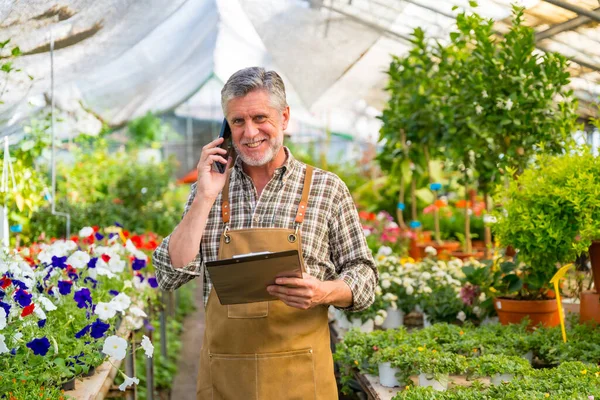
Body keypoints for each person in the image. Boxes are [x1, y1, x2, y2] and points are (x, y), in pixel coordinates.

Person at [152, 66, 377, 399]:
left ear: (284, 118)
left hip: (302, 380)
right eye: (238, 121)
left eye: (260, 118)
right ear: (226, 127)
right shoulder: (211, 189)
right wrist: (204, 196)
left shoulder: (326, 189)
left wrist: (324, 291)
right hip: (226, 379)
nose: (250, 132)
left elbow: (365, 275)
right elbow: (168, 275)